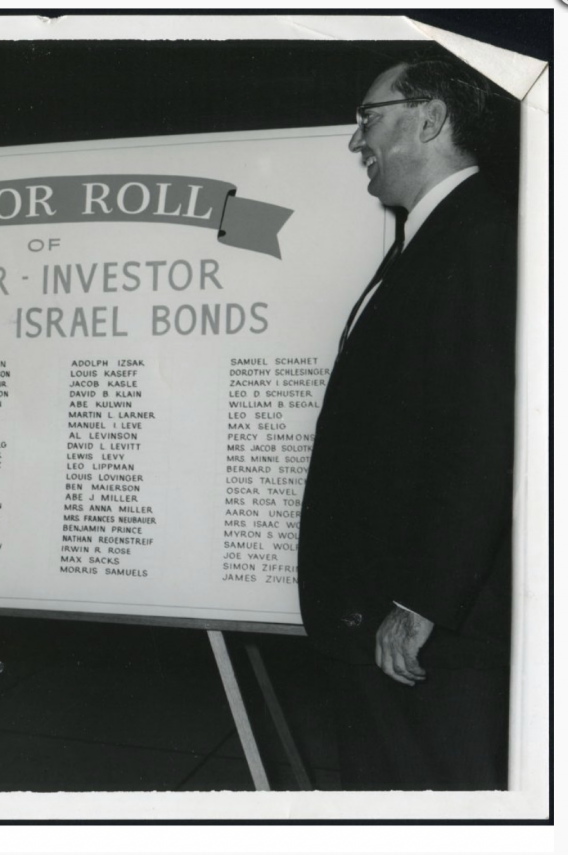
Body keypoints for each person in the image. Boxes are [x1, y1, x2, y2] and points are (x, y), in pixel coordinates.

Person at [297, 58, 516, 790]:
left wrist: (424, 600)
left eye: (369, 118)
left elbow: (489, 433)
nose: (357, 141)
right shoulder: (428, 239)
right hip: (383, 617)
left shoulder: (484, 235)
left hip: (423, 631)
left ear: (429, 118)